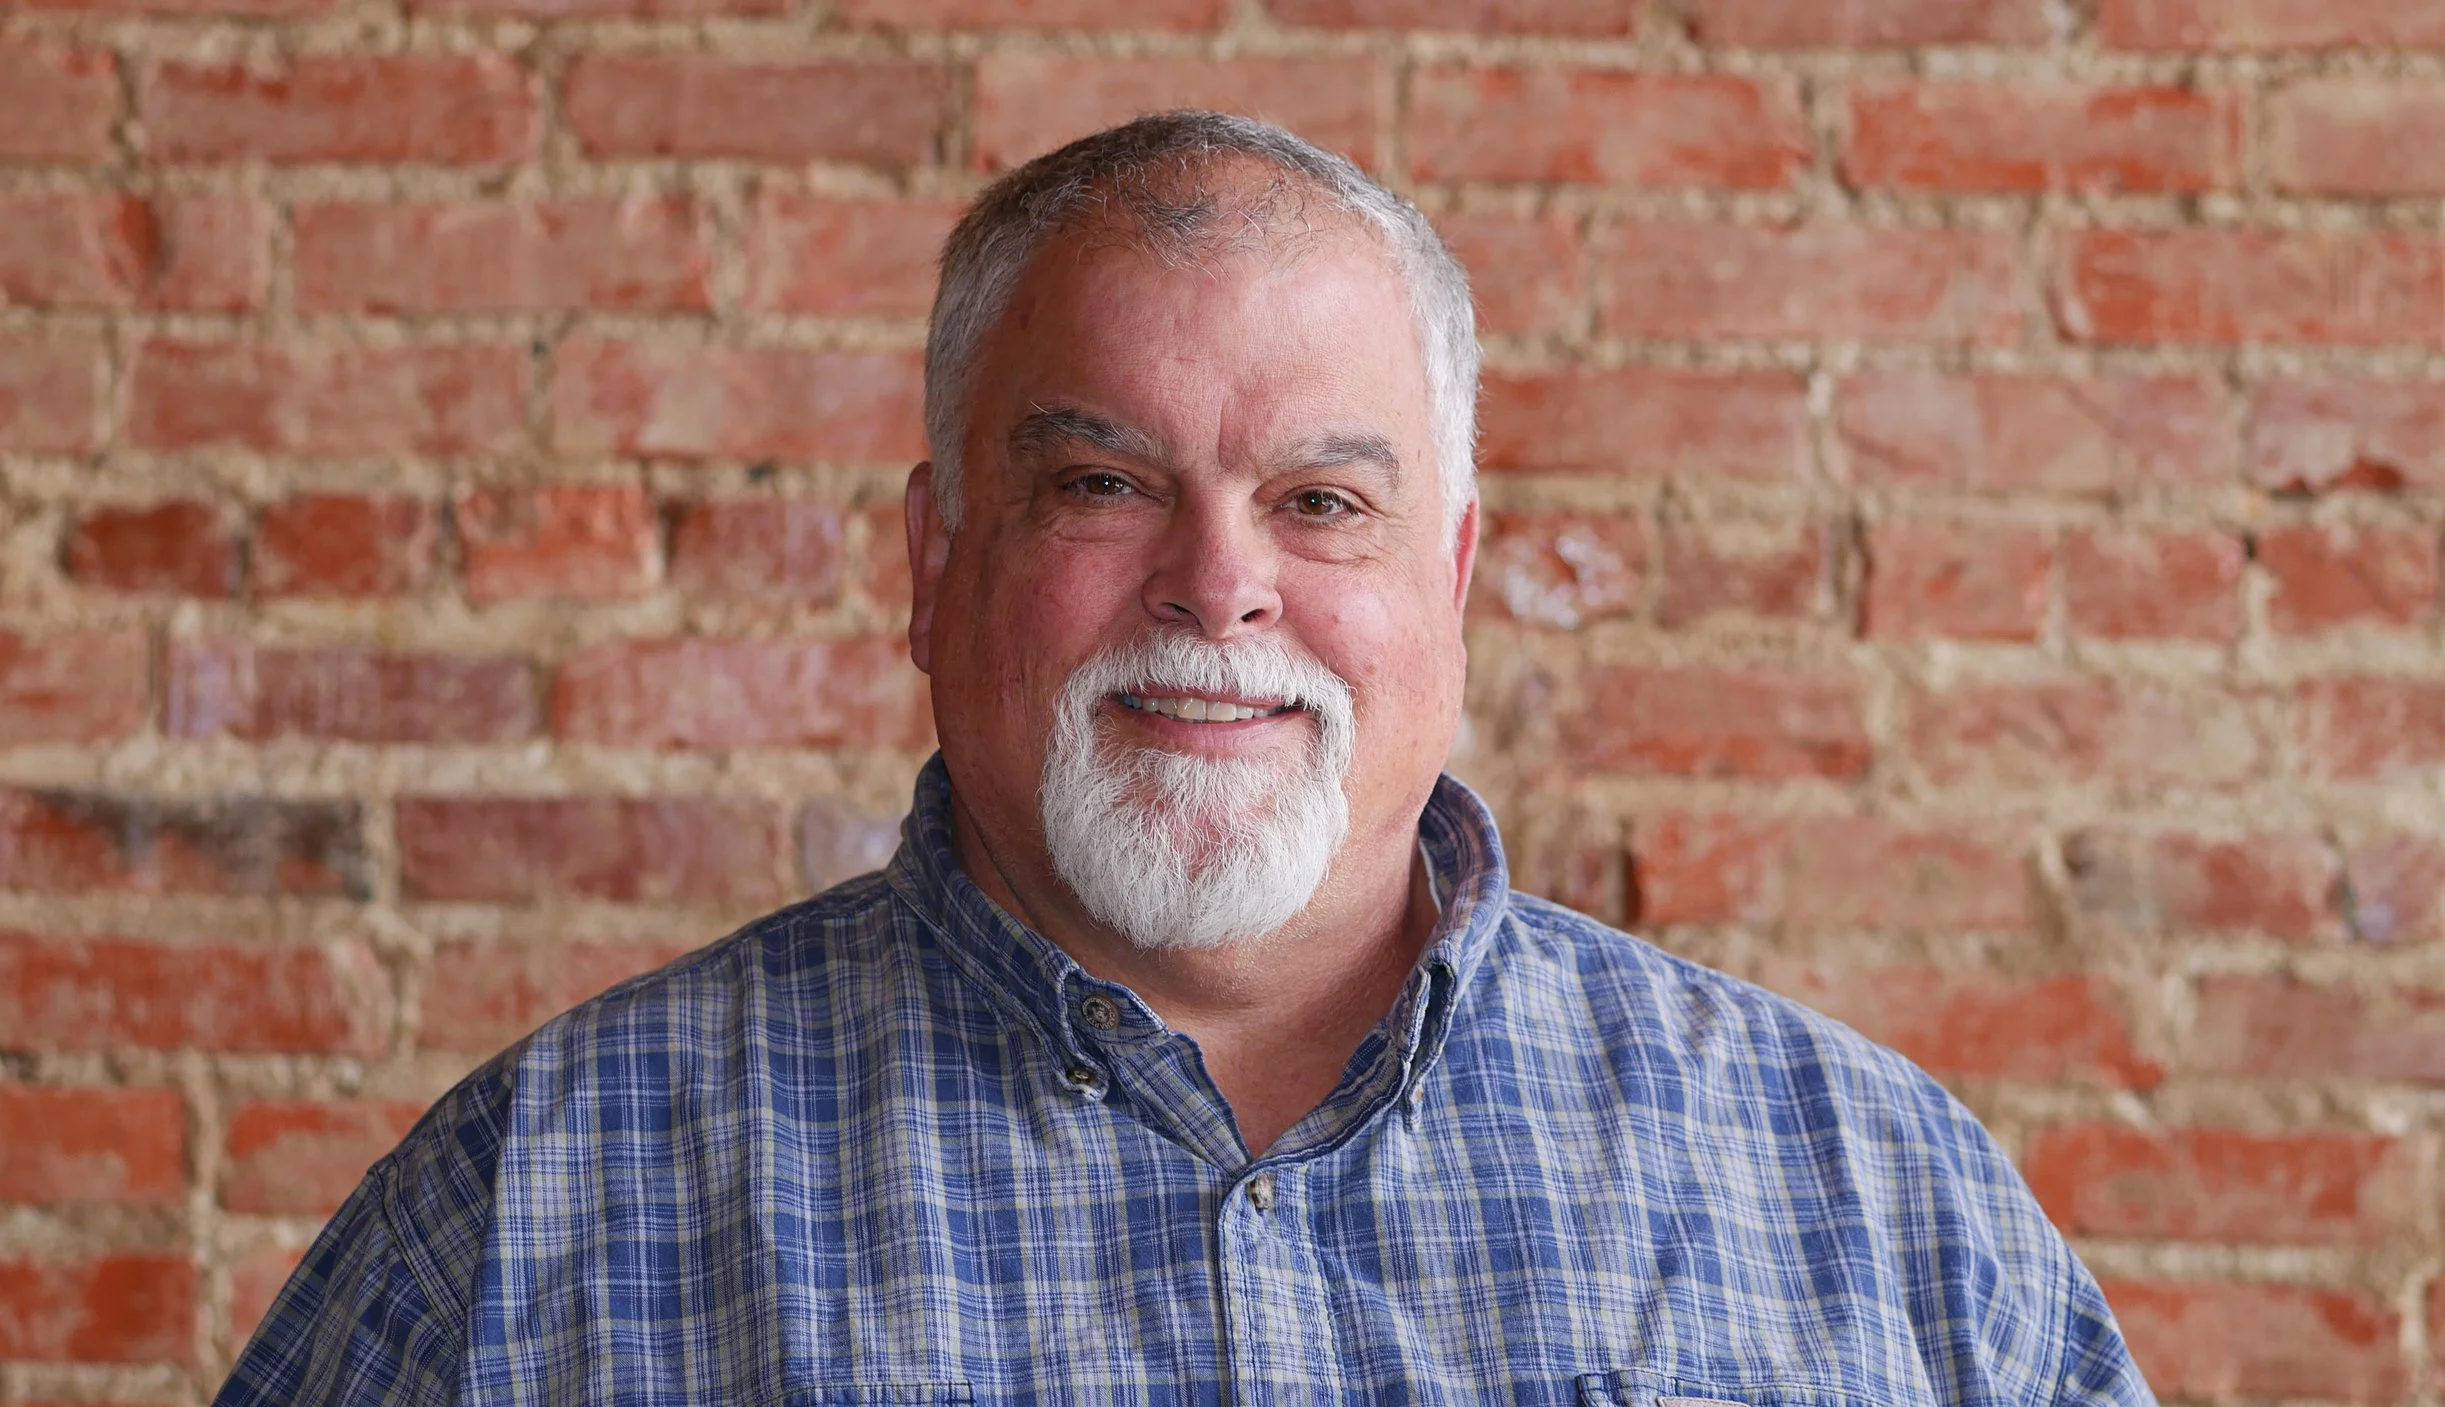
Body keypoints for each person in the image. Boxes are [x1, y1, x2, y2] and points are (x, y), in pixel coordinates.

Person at [217, 111, 2152, 1407]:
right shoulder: (533, 1208)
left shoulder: (1872, 1197)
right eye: (1099, 483)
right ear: (931, 560)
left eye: (1320, 499)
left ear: (1452, 578)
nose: (1221, 586)